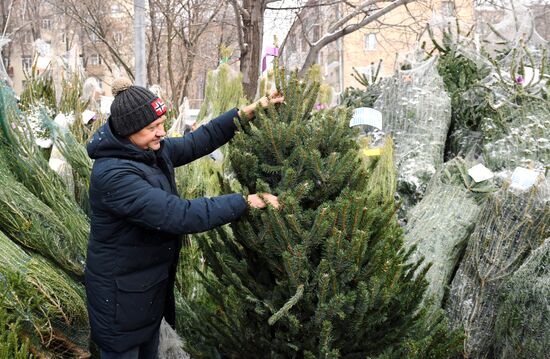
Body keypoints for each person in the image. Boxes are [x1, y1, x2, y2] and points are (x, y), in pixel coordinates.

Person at [85, 77, 283, 359]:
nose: (161, 133)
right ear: (129, 131)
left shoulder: (146, 150)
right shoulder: (115, 176)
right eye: (152, 127)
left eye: (162, 123)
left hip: (143, 293)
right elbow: (178, 214)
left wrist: (245, 114)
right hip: (120, 303)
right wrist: (243, 202)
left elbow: (196, 142)